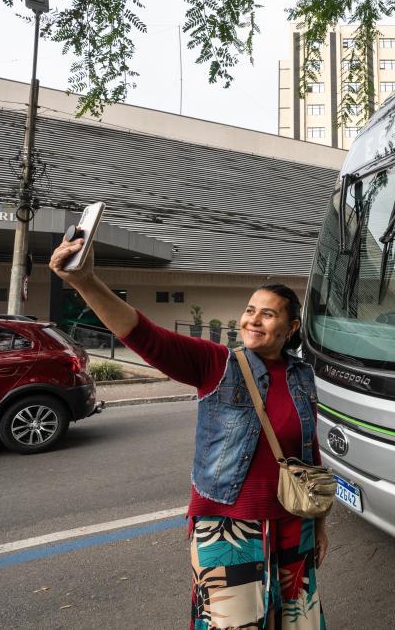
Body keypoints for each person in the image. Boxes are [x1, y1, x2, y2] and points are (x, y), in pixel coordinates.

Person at [49, 238, 328, 630]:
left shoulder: (302, 375)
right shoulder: (217, 363)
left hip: (294, 522)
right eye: (250, 311)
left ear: (291, 326)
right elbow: (145, 336)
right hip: (228, 529)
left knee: (296, 623)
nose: (253, 320)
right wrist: (85, 281)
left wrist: (319, 522)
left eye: (268, 314)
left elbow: (308, 451)